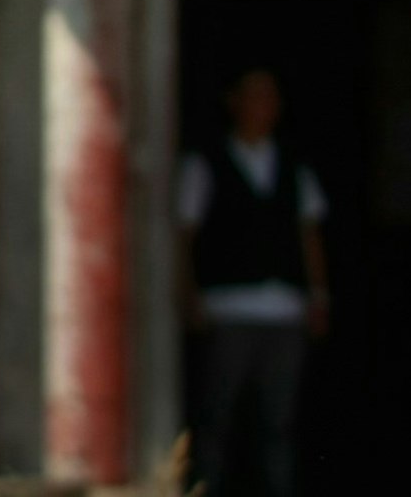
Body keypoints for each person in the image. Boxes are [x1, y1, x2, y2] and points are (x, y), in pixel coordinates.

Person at [178, 65, 329, 497]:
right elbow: (182, 236)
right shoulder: (205, 163)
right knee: (216, 419)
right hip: (227, 309)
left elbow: (309, 234)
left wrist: (319, 295)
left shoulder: (293, 166)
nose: (264, 106)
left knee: (279, 423)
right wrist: (188, 296)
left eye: (271, 97)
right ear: (234, 101)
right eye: (254, 95)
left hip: (285, 310)